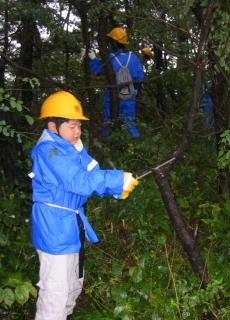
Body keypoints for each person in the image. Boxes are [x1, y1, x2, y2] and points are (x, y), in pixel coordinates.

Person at [29, 91, 139, 319]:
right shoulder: (48, 151)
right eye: (72, 126)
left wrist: (118, 189)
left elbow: (93, 175)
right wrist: (117, 179)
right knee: (55, 294)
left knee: (72, 287)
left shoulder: (72, 148)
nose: (78, 131)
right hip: (54, 229)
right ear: (53, 126)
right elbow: (78, 182)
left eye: (79, 125)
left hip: (71, 226)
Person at [83, 27, 144, 139]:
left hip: (112, 95)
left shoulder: (111, 57)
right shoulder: (134, 57)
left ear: (114, 42)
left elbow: (97, 70)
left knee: (108, 120)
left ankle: (107, 142)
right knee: (129, 121)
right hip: (129, 95)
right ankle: (135, 144)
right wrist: (133, 90)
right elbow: (140, 78)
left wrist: (92, 59)